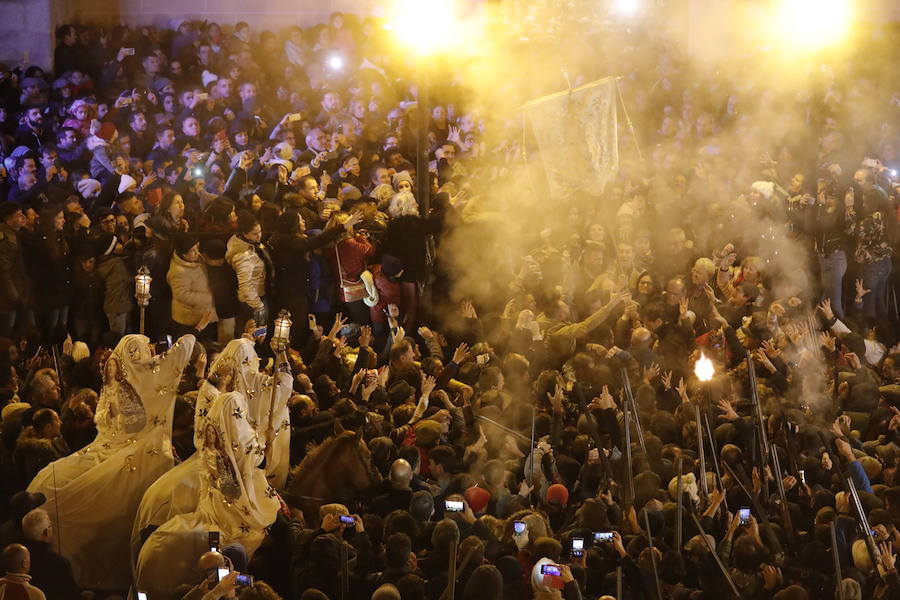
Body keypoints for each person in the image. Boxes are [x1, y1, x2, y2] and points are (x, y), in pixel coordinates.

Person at [27, 334, 195, 589]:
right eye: (144, 352)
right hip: (124, 454)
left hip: (108, 446)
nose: (150, 356)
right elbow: (187, 345)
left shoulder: (115, 385)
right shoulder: (135, 389)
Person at [20, 509, 78, 600]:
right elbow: (71, 596)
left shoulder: (18, 560)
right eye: (50, 525)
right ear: (46, 532)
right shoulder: (59, 563)